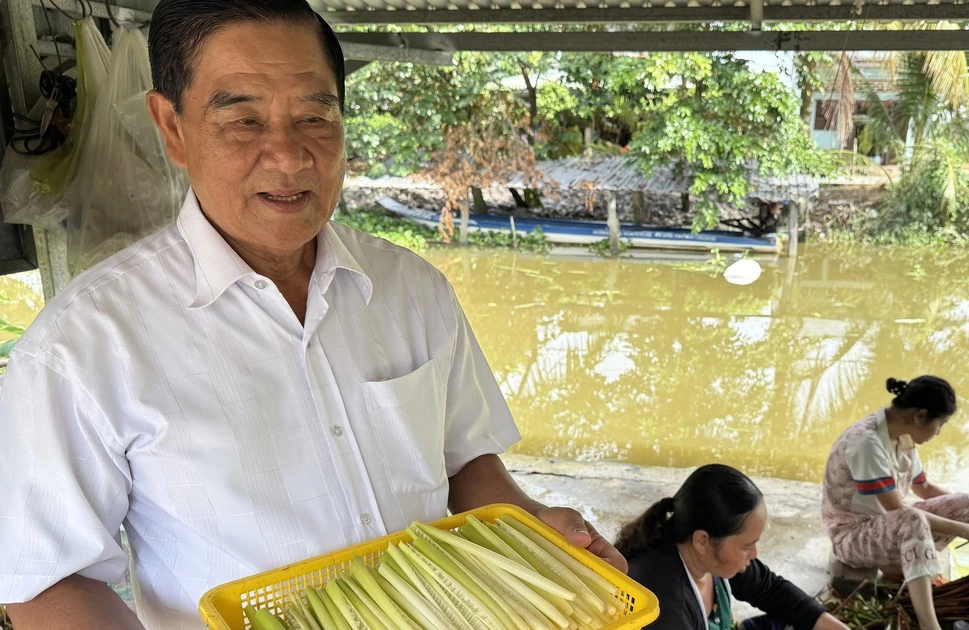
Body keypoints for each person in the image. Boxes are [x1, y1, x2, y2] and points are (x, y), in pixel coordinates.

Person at [0, 2, 623, 628]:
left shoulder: (413, 291)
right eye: (243, 120)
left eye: (314, 117)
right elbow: (44, 580)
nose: (289, 157)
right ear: (172, 127)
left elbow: (468, 466)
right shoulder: (81, 346)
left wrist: (534, 527)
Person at [821, 376, 969, 630]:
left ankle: (898, 567)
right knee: (913, 519)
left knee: (968, 504)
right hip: (851, 536)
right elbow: (899, 511)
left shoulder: (903, 436)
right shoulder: (867, 443)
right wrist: (967, 530)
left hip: (884, 527)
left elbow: (923, 487)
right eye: (940, 424)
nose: (939, 431)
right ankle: (928, 624)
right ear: (920, 415)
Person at [617, 464, 849, 630]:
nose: (754, 554)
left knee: (796, 622)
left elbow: (772, 590)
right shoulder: (667, 607)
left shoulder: (706, 554)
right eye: (747, 546)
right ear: (702, 541)